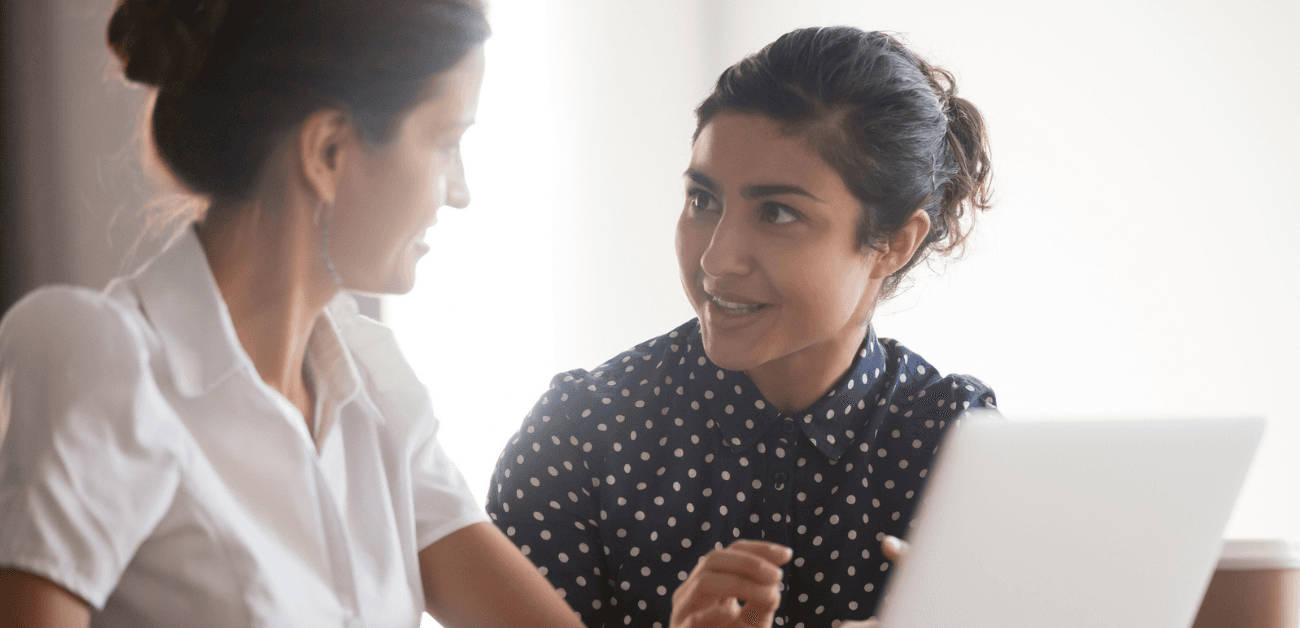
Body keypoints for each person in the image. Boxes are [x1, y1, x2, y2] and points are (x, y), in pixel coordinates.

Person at [0, 2, 781, 627]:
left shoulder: (373, 383)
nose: (460, 189)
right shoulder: (102, 353)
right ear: (329, 152)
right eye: (446, 142)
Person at [488, 26, 998, 628]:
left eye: (777, 213)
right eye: (702, 200)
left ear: (893, 244)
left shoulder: (957, 444)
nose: (715, 260)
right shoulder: (578, 437)